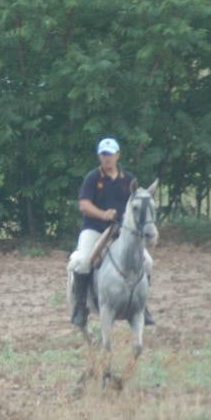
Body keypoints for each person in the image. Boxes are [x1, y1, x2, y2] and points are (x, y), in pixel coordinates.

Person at [67, 138, 154, 327]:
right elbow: (84, 204)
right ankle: (81, 307)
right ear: (99, 156)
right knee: (82, 262)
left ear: (118, 155)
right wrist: (103, 214)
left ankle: (142, 305)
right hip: (94, 229)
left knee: (147, 262)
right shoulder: (92, 178)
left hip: (121, 231)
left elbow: (136, 204)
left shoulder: (129, 180)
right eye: (104, 155)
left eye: (111, 154)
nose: (107, 158)